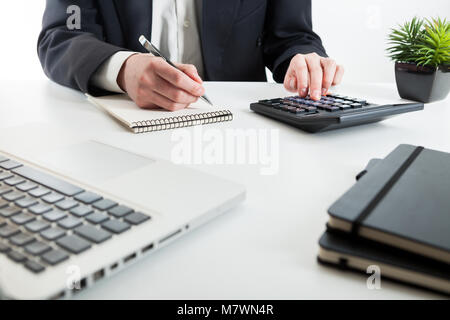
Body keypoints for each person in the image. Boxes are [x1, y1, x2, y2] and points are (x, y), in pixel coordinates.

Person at [38, 0, 344, 111]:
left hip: (240, 135)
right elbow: (61, 36)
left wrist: (302, 58)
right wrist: (123, 69)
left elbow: (292, 35)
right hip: (121, 133)